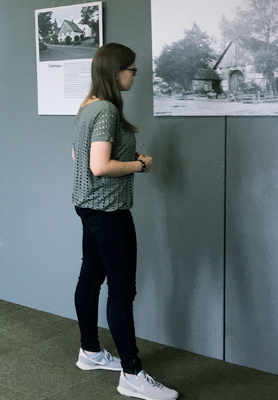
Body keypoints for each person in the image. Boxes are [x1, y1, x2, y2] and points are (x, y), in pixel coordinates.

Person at [71, 43, 178, 400]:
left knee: (90, 278)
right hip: (108, 211)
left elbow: (79, 153)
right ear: (116, 71)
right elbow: (98, 166)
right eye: (131, 69)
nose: (134, 74)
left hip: (87, 206)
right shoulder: (107, 111)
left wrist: (125, 154)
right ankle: (132, 374)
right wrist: (140, 165)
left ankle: (90, 352)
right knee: (121, 289)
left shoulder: (88, 105)